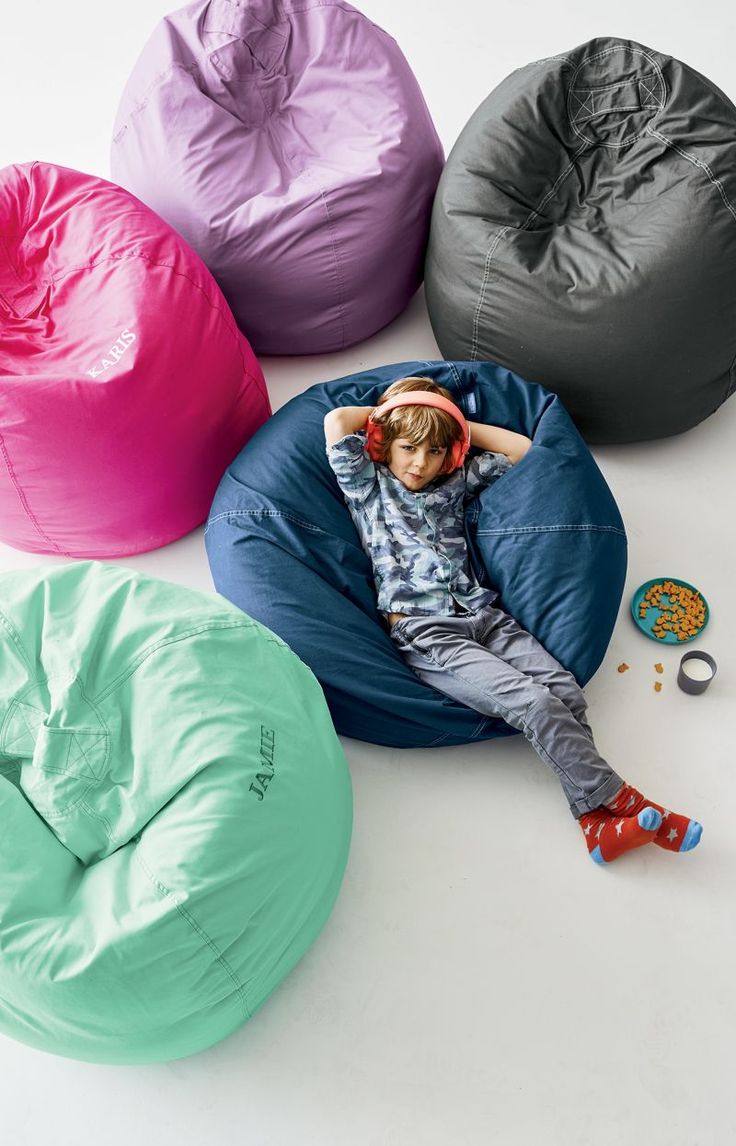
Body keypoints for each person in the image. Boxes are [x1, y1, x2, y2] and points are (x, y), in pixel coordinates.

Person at [324, 375, 703, 864]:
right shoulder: (369, 486)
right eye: (409, 447)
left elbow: (523, 451)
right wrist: (401, 408)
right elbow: (337, 420)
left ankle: (596, 827)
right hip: (426, 631)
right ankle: (628, 801)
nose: (421, 462)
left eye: (435, 451)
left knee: (565, 692)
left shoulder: (454, 482)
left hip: (484, 613)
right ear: (385, 443)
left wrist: (455, 426)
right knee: (535, 703)